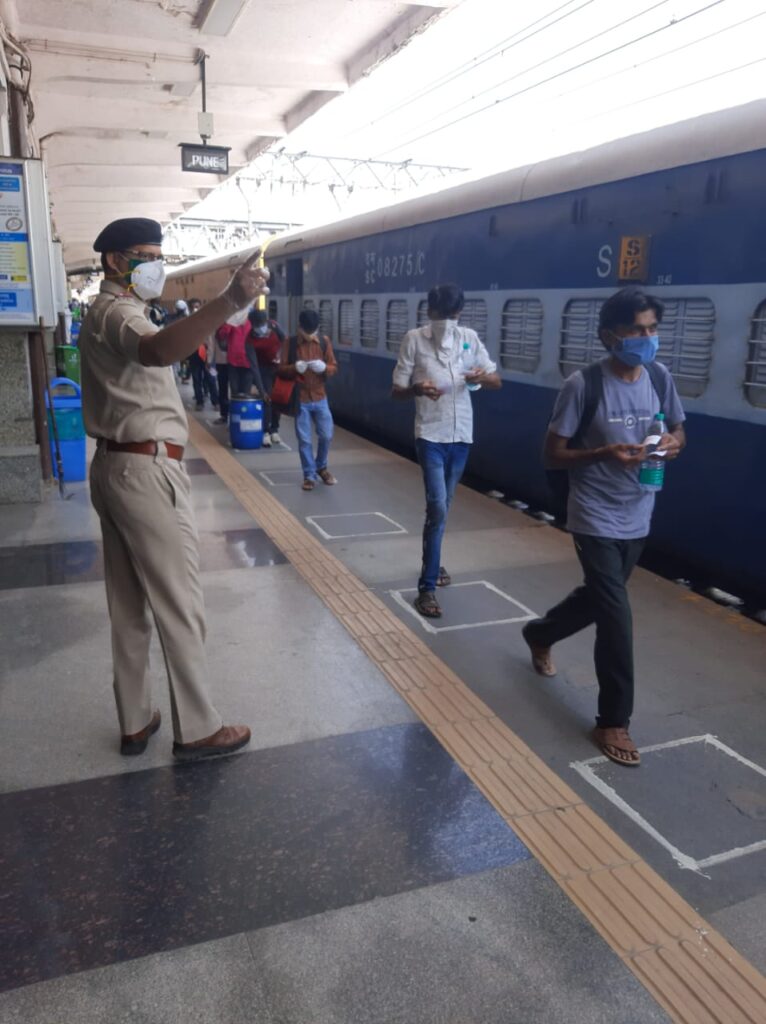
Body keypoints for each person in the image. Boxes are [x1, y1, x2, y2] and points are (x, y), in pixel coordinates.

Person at [78, 217, 270, 760]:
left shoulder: (112, 311)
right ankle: (198, 728)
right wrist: (230, 298)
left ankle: (136, 719)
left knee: (129, 602)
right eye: (146, 254)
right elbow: (159, 352)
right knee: (180, 601)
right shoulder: (118, 312)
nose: (156, 264)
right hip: (144, 473)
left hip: (117, 468)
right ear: (116, 262)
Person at [522, 287, 686, 768]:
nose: (646, 338)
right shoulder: (583, 385)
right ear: (610, 335)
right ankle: (613, 719)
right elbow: (552, 454)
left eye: (652, 329)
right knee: (616, 612)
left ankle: (540, 632)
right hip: (593, 511)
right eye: (637, 329)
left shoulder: (658, 375)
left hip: (639, 508)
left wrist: (672, 444)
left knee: (600, 597)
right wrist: (602, 453)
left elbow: (678, 429)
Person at [392, 283, 500, 619]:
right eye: (441, 315)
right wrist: (416, 389)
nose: (447, 321)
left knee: (442, 510)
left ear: (459, 313)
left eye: (452, 315)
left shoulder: (469, 339)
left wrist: (481, 376)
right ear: (430, 313)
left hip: (461, 435)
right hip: (431, 435)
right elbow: (396, 391)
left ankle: (434, 563)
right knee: (437, 507)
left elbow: (496, 381)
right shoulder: (414, 340)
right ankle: (426, 589)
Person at [278, 308, 338, 490]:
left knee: (326, 434)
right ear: (299, 327)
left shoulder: (324, 342)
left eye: (313, 331)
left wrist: (324, 368)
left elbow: (334, 366)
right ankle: (309, 475)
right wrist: (295, 368)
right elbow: (280, 369)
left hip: (320, 395)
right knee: (304, 439)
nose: (310, 334)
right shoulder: (291, 342)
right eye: (307, 331)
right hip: (301, 397)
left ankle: (321, 466)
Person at [247, 308, 285, 447]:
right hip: (263, 370)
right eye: (257, 325)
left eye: (263, 324)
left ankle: (275, 428)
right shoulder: (249, 339)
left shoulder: (274, 327)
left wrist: (280, 356)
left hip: (277, 368)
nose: (261, 328)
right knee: (266, 399)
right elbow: (253, 366)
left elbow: (285, 342)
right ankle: (265, 431)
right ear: (252, 325)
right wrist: (260, 388)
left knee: (278, 399)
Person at [217, 310, 266, 399]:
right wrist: (229, 323)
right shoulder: (233, 321)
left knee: (244, 393)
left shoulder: (252, 321)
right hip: (235, 362)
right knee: (236, 392)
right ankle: (237, 411)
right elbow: (222, 334)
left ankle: (240, 411)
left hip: (246, 362)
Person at [187, 298, 219, 412]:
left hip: (207, 354)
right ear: (190, 308)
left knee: (211, 379)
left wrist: (209, 359)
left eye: (197, 306)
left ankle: (215, 402)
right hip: (194, 355)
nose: (195, 309)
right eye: (193, 307)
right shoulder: (188, 322)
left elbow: (211, 341)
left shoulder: (207, 321)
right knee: (196, 379)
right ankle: (199, 402)